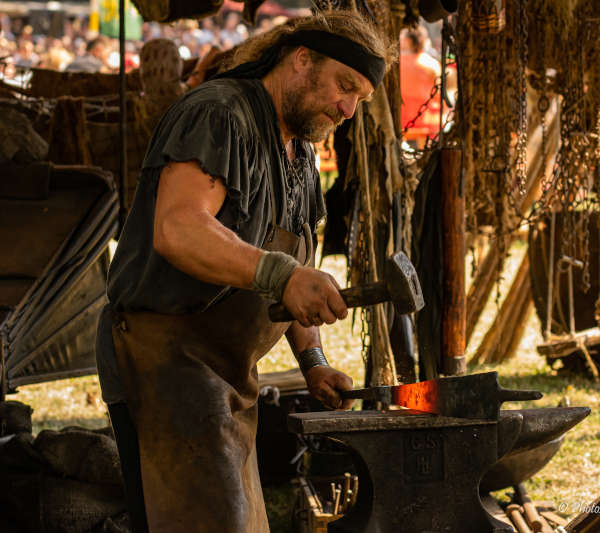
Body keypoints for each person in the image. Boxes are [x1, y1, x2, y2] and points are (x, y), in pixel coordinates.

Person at [94, 10, 395, 533]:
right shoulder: (220, 114)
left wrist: (314, 362)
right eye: (344, 86)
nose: (348, 109)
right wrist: (281, 274)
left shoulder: (301, 155)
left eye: (361, 100)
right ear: (301, 60)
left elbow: (295, 279)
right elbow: (179, 228)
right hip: (164, 363)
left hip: (229, 374)